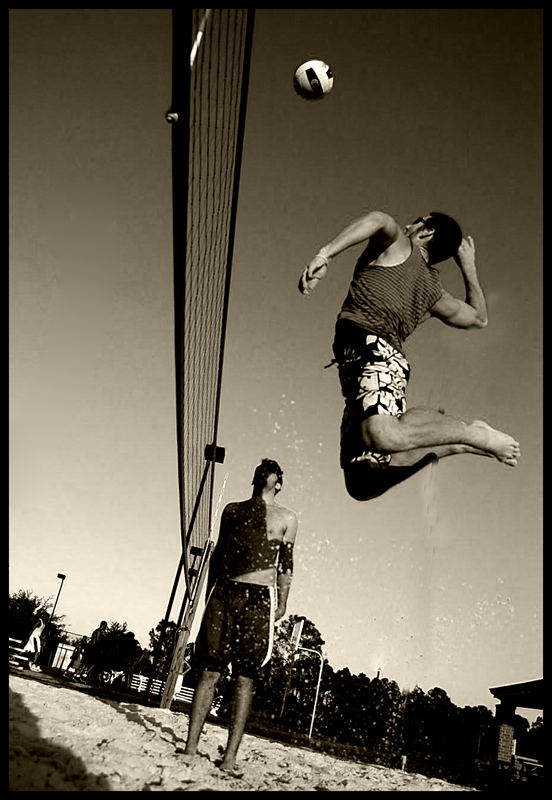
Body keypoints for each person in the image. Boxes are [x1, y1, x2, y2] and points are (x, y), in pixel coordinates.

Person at [298, 210, 520, 501]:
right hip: (357, 363)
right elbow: (479, 317)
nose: (406, 225)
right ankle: (458, 442)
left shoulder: (400, 248)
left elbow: (378, 218)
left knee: (384, 436)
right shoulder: (435, 295)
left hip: (376, 351)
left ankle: (473, 435)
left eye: (414, 222)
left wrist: (325, 254)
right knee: (362, 483)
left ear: (426, 232)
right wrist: (468, 267)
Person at [184, 458, 298, 775]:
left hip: (259, 597)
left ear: (279, 482)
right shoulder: (232, 510)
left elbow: (286, 563)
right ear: (255, 478)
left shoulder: (287, 517)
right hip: (225, 591)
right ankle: (190, 748)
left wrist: (282, 602)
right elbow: (219, 553)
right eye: (262, 468)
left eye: (273, 470)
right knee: (209, 670)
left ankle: (230, 757)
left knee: (245, 676)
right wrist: (208, 594)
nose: (266, 472)